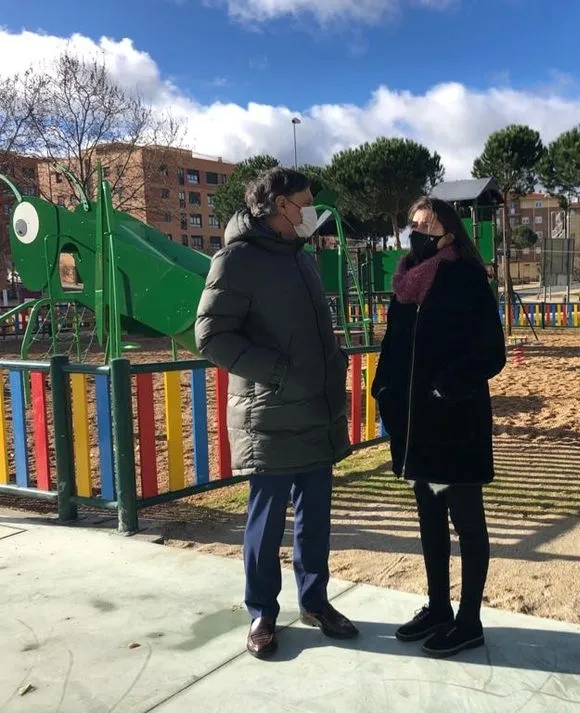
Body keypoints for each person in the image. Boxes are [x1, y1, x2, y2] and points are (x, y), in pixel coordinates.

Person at [194, 167, 357, 659]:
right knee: (265, 522)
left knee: (316, 517)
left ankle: (314, 601)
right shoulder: (237, 259)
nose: (311, 211)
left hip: (315, 407)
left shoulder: (300, 258)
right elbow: (212, 336)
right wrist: (280, 371)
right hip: (269, 413)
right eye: (305, 201)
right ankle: (262, 611)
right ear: (279, 205)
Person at [371, 196, 506, 658]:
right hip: (415, 424)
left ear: (449, 232)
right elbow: (395, 342)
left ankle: (469, 621)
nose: (417, 233)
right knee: (429, 518)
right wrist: (382, 386)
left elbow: (492, 352)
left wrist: (449, 386)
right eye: (413, 224)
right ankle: (438, 607)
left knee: (466, 520)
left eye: (427, 226)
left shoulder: (465, 276)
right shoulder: (406, 279)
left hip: (454, 421)